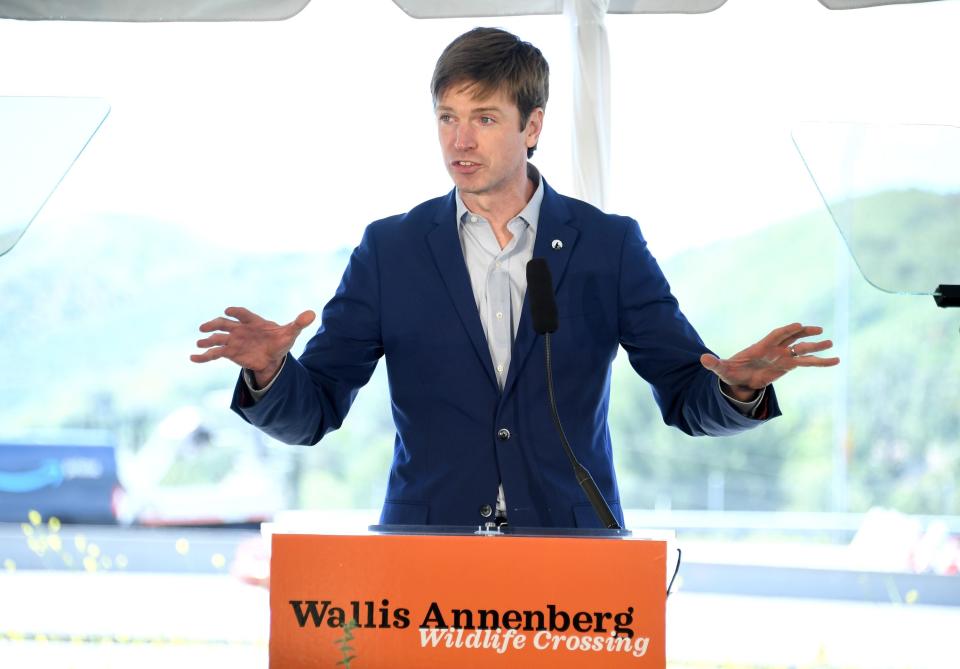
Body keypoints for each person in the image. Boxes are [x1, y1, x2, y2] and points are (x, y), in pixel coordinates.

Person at [190, 27, 839, 528]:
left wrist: (738, 392)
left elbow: (685, 393)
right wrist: (273, 374)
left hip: (571, 557)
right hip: (426, 563)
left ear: (533, 125)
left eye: (484, 118)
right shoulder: (390, 251)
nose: (459, 141)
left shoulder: (608, 247)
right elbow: (314, 411)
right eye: (447, 117)